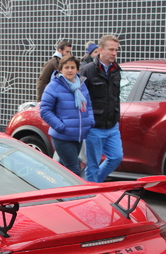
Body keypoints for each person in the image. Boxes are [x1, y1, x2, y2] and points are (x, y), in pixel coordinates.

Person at [40, 56, 94, 177]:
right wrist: (60, 126)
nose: (70, 70)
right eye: (66, 67)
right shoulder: (53, 86)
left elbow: (88, 105)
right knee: (74, 171)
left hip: (78, 135)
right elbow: (45, 110)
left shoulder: (82, 85)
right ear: (60, 70)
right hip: (63, 136)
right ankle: (76, 196)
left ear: (77, 70)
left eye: (72, 67)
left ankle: (54, 191)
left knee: (63, 170)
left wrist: (90, 121)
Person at [80, 34, 123, 183]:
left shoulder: (117, 70)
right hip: (94, 127)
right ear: (100, 50)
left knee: (116, 157)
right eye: (111, 49)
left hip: (112, 125)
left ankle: (94, 184)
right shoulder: (87, 70)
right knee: (92, 165)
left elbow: (115, 97)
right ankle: (91, 195)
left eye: (116, 50)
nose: (114, 53)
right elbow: (80, 98)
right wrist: (87, 121)